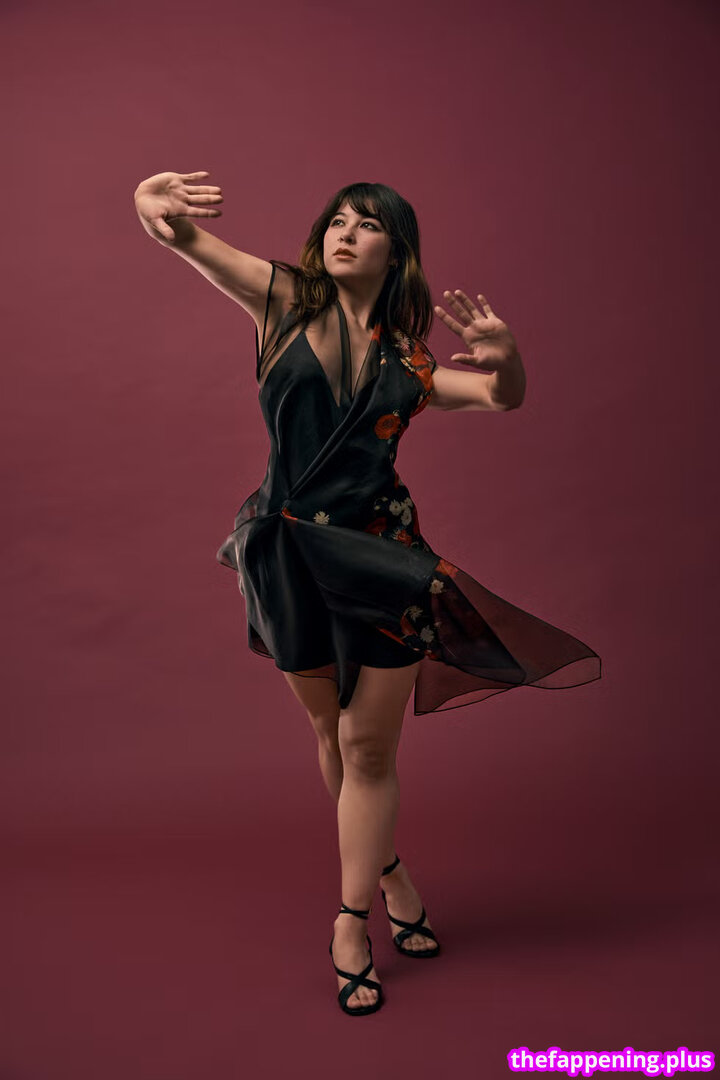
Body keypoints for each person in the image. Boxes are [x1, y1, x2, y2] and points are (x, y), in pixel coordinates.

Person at [134, 172, 602, 1016]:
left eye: (368, 224)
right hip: (285, 554)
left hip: (383, 560)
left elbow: (500, 397)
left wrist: (506, 358)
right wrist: (147, 200)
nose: (346, 232)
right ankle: (390, 874)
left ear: (397, 251)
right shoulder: (281, 301)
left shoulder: (410, 362)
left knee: (368, 749)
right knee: (331, 735)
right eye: (337, 221)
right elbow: (183, 238)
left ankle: (350, 923)